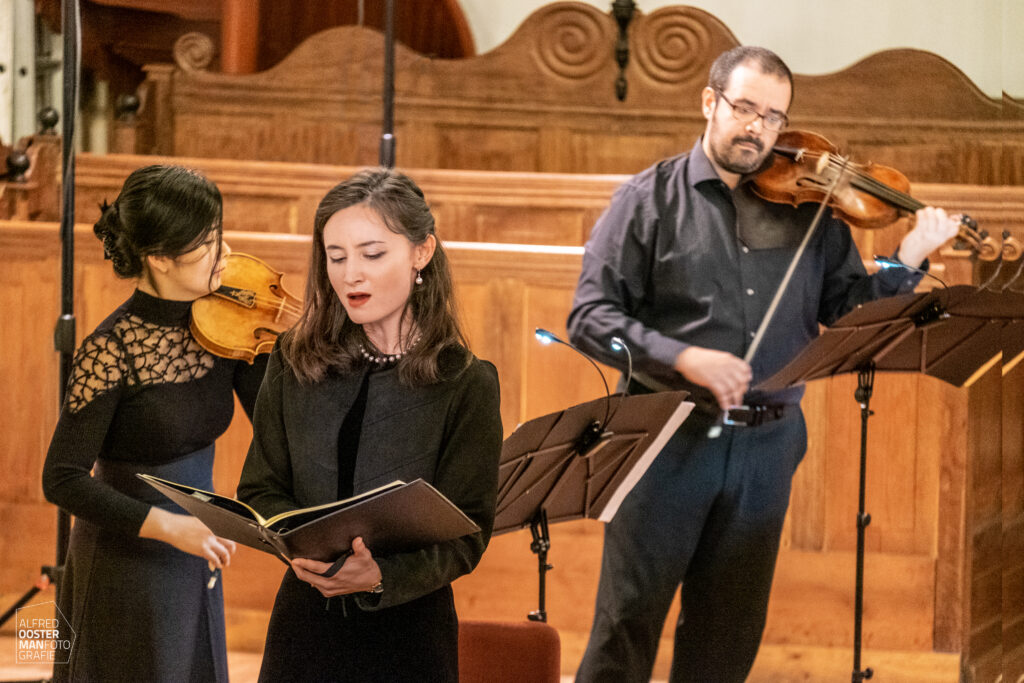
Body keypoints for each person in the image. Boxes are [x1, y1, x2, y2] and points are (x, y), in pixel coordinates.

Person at [567, 46, 961, 682]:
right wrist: (684, 357)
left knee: (728, 637)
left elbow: (851, 309)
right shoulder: (647, 201)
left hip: (767, 449)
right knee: (626, 627)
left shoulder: (812, 211)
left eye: (774, 116)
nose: (758, 128)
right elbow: (589, 318)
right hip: (665, 441)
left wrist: (909, 257)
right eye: (745, 108)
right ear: (710, 102)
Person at [236, 168, 502, 682]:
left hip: (409, 638)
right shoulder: (293, 357)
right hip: (304, 629)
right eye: (336, 257)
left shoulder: (466, 381)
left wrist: (380, 576)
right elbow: (260, 487)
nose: (350, 275)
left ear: (421, 252)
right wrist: (298, 546)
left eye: (372, 254)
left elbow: (467, 532)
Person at [42, 164, 269, 682]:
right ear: (160, 258)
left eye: (220, 235)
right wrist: (171, 527)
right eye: (207, 243)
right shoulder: (109, 351)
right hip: (124, 560)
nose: (225, 253)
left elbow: (275, 425)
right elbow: (62, 478)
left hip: (195, 548)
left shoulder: (225, 328)